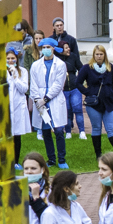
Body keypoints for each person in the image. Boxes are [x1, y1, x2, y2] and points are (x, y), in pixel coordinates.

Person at [73, 45, 113, 161]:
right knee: (96, 128)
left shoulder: (110, 67)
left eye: (101, 54)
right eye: (97, 54)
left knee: (111, 128)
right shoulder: (87, 68)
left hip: (108, 103)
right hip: (94, 104)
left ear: (104, 55)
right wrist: (88, 92)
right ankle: (98, 155)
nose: (99, 56)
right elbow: (78, 83)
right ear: (94, 55)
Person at [30, 37, 70, 169]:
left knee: (58, 130)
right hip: (40, 100)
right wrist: (37, 99)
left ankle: (61, 159)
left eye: (48, 47)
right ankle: (51, 159)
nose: (46, 50)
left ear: (53, 48)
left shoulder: (60, 64)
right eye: (44, 47)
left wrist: (46, 98)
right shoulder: (36, 65)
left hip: (54, 99)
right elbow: (33, 84)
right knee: (46, 131)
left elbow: (58, 85)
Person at [50, 17, 84, 140]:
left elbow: (77, 61)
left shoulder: (71, 40)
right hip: (62, 84)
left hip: (73, 83)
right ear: (53, 27)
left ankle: (80, 130)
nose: (60, 27)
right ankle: (67, 129)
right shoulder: (52, 40)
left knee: (77, 107)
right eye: (57, 25)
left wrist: (78, 79)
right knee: (66, 109)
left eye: (61, 25)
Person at [5, 49, 31, 168]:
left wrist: (15, 76)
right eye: (8, 58)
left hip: (18, 107)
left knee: (17, 135)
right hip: (5, 106)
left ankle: (15, 161)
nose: (10, 61)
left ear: (17, 59)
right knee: (6, 135)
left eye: (13, 58)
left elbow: (24, 89)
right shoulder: (0, 72)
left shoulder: (23, 72)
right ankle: (6, 160)